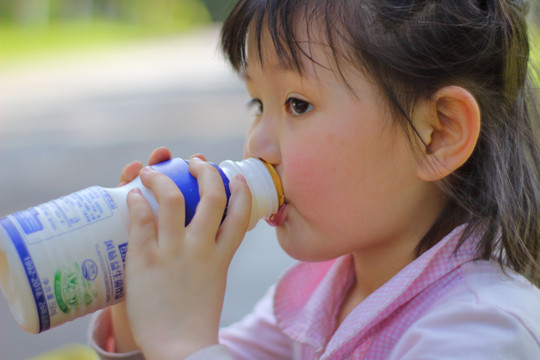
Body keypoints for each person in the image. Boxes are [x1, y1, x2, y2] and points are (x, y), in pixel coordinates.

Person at [89, 0, 540, 358]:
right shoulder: (319, 295)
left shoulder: (482, 331)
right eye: (257, 105)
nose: (256, 148)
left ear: (437, 134)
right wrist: (139, 308)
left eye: (297, 104)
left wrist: (184, 343)